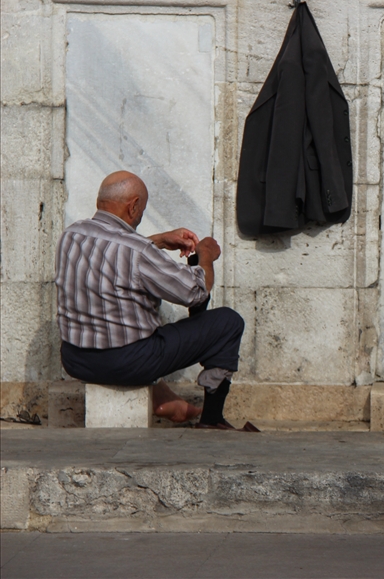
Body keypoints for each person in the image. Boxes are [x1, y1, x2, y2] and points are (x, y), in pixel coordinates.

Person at [55, 171, 256, 431]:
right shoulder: (138, 251)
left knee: (137, 335)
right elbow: (194, 291)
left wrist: (160, 240)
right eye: (142, 210)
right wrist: (205, 255)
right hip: (127, 363)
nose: (140, 216)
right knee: (228, 322)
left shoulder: (71, 235)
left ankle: (164, 398)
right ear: (133, 205)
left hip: (75, 360)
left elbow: (112, 254)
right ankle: (212, 418)